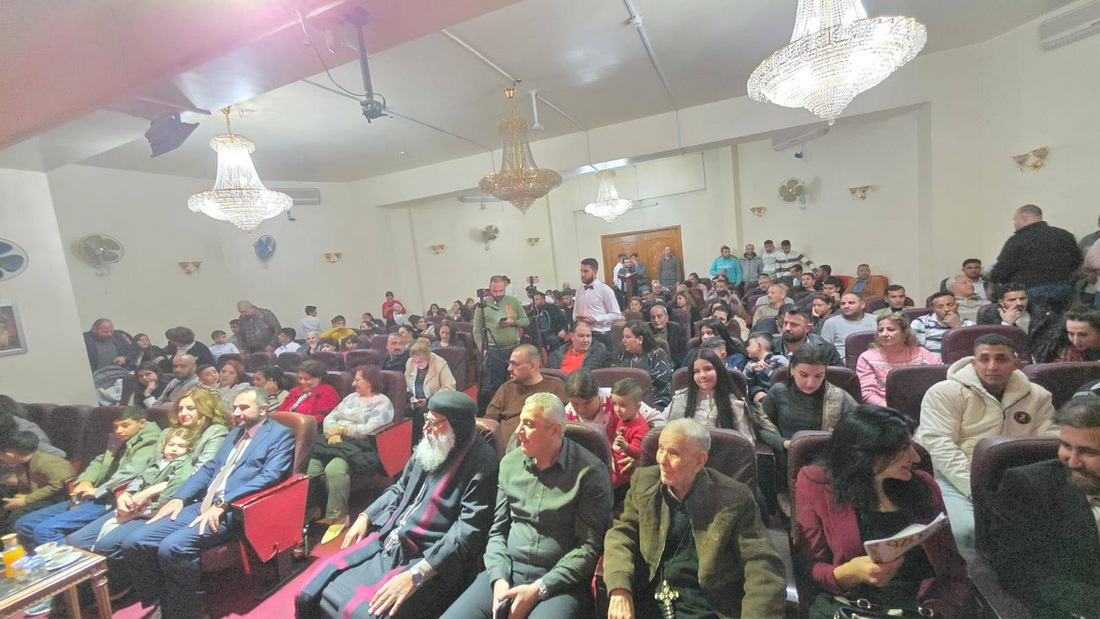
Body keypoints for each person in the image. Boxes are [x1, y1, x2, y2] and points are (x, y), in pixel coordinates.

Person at [297, 390, 498, 618]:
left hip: (431, 559)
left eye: (434, 423)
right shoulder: (432, 444)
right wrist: (366, 516)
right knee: (312, 590)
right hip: (390, 539)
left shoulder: (483, 463)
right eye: (426, 419)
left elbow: (466, 534)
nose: (425, 428)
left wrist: (417, 574)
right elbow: (400, 488)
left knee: (365, 613)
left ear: (457, 426)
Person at [121, 388, 294, 618]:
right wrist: (179, 498)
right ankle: (165, 602)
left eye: (244, 407)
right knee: (135, 542)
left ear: (263, 409)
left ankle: (192, 612)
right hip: (204, 502)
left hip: (234, 509)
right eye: (235, 407)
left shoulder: (280, 435)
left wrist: (224, 503)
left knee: (173, 547)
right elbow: (210, 467)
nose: (237, 412)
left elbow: (269, 477)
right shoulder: (235, 433)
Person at [442, 393, 612, 618]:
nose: (518, 431)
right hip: (508, 570)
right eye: (521, 421)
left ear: (555, 431)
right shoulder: (510, 464)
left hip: (560, 581)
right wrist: (499, 578)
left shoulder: (589, 473)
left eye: (529, 424)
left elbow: (588, 548)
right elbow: (497, 532)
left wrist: (540, 588)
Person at [796, 406, 974, 618]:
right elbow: (811, 568)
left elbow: (952, 566)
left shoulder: (923, 485)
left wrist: (943, 607)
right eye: (903, 449)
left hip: (922, 608)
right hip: (855, 607)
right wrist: (850, 573)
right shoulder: (817, 484)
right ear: (867, 454)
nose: (916, 457)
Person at [604, 418, 786, 618]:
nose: (661, 459)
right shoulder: (644, 482)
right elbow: (621, 534)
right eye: (660, 449)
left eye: (673, 453)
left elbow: (762, 567)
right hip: (648, 600)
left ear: (699, 461)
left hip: (707, 605)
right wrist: (619, 588)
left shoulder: (734, 498)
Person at [914, 334, 1058, 549]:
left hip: (1016, 477)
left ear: (1015, 363)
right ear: (974, 362)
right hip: (954, 476)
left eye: (1001, 359)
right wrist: (976, 488)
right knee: (967, 530)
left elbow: (1048, 442)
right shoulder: (943, 392)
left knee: (1049, 525)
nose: (992, 366)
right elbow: (938, 445)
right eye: (984, 359)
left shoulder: (1038, 396)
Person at [989, 395, 1100, 618]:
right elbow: (1020, 571)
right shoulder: (1029, 486)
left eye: (1087, 451)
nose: (1072, 461)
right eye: (1066, 445)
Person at [15, 407, 161, 545]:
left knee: (45, 531)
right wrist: (86, 480)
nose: (119, 430)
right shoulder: (120, 439)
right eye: (115, 426)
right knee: (24, 523)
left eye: (125, 425)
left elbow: (131, 472)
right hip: (93, 494)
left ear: (142, 423)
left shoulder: (151, 441)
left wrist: (97, 491)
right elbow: (100, 461)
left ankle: (72, 561)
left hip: (111, 497)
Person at [69, 427, 197, 558]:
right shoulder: (157, 462)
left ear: (189, 449)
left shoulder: (184, 464)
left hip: (152, 511)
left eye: (181, 446)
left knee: (105, 545)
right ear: (164, 446)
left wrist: (146, 503)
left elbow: (175, 484)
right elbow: (140, 478)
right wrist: (128, 494)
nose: (174, 449)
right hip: (134, 506)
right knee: (77, 540)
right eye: (171, 445)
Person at [310, 365, 395, 543]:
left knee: (334, 469)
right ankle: (313, 508)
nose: (353, 384)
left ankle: (339, 516)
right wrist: (331, 433)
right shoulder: (350, 397)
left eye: (357, 380)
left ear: (370, 382)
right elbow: (330, 417)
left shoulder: (382, 402)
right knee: (310, 467)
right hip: (333, 441)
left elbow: (370, 429)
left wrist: (342, 430)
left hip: (360, 446)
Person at [756, 346, 856, 464]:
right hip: (787, 458)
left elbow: (858, 431)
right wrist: (783, 443)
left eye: (818, 376)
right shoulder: (779, 391)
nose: (810, 383)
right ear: (792, 369)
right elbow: (761, 426)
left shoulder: (838, 396)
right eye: (803, 375)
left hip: (828, 460)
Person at [990, 204, 1083, 312]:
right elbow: (1077, 261)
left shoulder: (1017, 240)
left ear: (1023, 219)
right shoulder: (1065, 235)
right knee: (1062, 320)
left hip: (1031, 291)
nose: (1014, 224)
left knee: (1034, 322)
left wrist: (994, 281)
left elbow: (1003, 268)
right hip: (1063, 290)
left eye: (1015, 220)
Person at [665, 348, 755, 440]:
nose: (702, 375)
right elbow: (664, 430)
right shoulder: (682, 398)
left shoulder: (735, 403)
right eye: (697, 371)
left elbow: (746, 443)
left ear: (718, 370)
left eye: (708, 369)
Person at [486, 344, 567, 441]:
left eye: (515, 364)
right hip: (503, 448)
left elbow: (565, 422)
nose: (509, 368)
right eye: (509, 363)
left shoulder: (555, 387)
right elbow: (488, 422)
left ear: (532, 366)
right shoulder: (507, 388)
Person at [474, 275, 531, 412]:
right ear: (490, 289)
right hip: (493, 351)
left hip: (514, 348)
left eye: (501, 291)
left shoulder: (512, 301)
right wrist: (482, 349)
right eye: (495, 291)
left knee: (519, 380)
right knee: (496, 385)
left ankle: (519, 407)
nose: (498, 294)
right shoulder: (483, 305)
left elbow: (526, 321)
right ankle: (499, 411)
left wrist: (513, 322)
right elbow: (476, 330)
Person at [856, 315, 942, 407]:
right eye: (880, 330)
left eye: (891, 329)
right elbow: (867, 393)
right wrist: (889, 409)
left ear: (904, 333)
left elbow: (942, 376)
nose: (884, 334)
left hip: (921, 405)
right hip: (883, 408)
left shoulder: (921, 353)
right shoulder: (866, 357)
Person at [0, 432, 75, 536]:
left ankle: (14, 540)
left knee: (16, 516)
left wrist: (26, 499)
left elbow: (57, 485)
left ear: (9, 455)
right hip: (37, 496)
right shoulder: (21, 465)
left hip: (57, 499)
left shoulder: (48, 462)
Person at [562, 369, 665, 428]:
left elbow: (659, 421)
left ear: (597, 392)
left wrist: (642, 446)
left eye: (587, 403)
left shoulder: (616, 399)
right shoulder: (566, 414)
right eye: (575, 404)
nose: (581, 410)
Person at [606, 379, 650, 504]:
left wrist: (625, 446)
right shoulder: (618, 416)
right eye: (614, 404)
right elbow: (609, 432)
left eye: (623, 405)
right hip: (612, 462)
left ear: (637, 406)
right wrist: (609, 449)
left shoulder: (640, 428)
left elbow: (637, 452)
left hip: (625, 473)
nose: (617, 409)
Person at [162, 388, 231, 467]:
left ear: (205, 410)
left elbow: (203, 468)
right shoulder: (167, 432)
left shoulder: (216, 431)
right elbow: (154, 464)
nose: (183, 413)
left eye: (190, 408)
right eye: (180, 409)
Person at [615, 320, 675, 409]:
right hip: (627, 401)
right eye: (623, 337)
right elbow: (615, 375)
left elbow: (662, 379)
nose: (623, 341)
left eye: (627, 337)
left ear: (640, 339)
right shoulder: (624, 355)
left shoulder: (657, 354)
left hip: (655, 400)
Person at [405, 340, 456, 442]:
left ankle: (421, 443)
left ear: (428, 356)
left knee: (421, 415)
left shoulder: (440, 363)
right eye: (415, 361)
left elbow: (449, 387)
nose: (417, 364)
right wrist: (411, 398)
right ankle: (408, 444)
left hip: (435, 402)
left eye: (421, 361)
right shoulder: (410, 362)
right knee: (405, 413)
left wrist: (428, 401)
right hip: (416, 401)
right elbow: (406, 385)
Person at [573, 258, 622, 351]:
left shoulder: (605, 290)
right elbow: (575, 312)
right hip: (582, 334)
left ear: (595, 272)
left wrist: (596, 319)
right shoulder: (579, 291)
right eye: (581, 271)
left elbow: (616, 315)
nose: (582, 274)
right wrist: (577, 319)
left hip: (600, 335)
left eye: (586, 271)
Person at [278, 359, 340, 424]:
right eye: (300, 378)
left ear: (319, 378)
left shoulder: (327, 392)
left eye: (306, 379)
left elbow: (320, 419)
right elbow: (279, 411)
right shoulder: (295, 391)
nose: (302, 382)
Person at [774, 308, 844, 366]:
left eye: (794, 324)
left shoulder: (826, 349)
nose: (787, 328)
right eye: (785, 323)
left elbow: (839, 376)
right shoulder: (772, 346)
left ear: (808, 328)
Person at [820, 293, 878, 358]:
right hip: (842, 361)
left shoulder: (876, 320)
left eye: (851, 303)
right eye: (843, 304)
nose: (846, 306)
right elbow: (824, 350)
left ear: (862, 304)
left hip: (873, 359)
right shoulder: (831, 323)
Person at [546, 322, 610, 374]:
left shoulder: (598, 354)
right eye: (581, 336)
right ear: (572, 337)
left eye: (588, 336)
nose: (585, 340)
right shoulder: (557, 353)